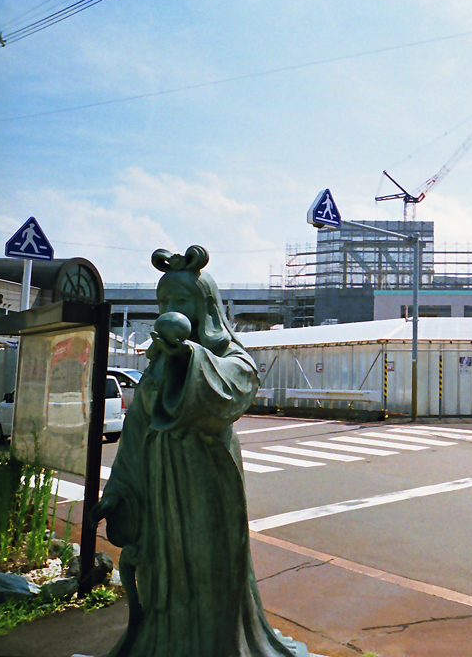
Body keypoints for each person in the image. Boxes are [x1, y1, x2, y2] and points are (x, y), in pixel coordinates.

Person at [91, 246, 296, 657]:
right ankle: (167, 643)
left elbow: (237, 388)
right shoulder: (155, 364)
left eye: (181, 301)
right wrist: (119, 488)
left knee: (211, 567)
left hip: (208, 481)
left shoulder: (224, 354)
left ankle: (219, 646)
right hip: (160, 482)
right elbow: (136, 429)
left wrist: (189, 355)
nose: (170, 309)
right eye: (164, 302)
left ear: (205, 306)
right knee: (163, 567)